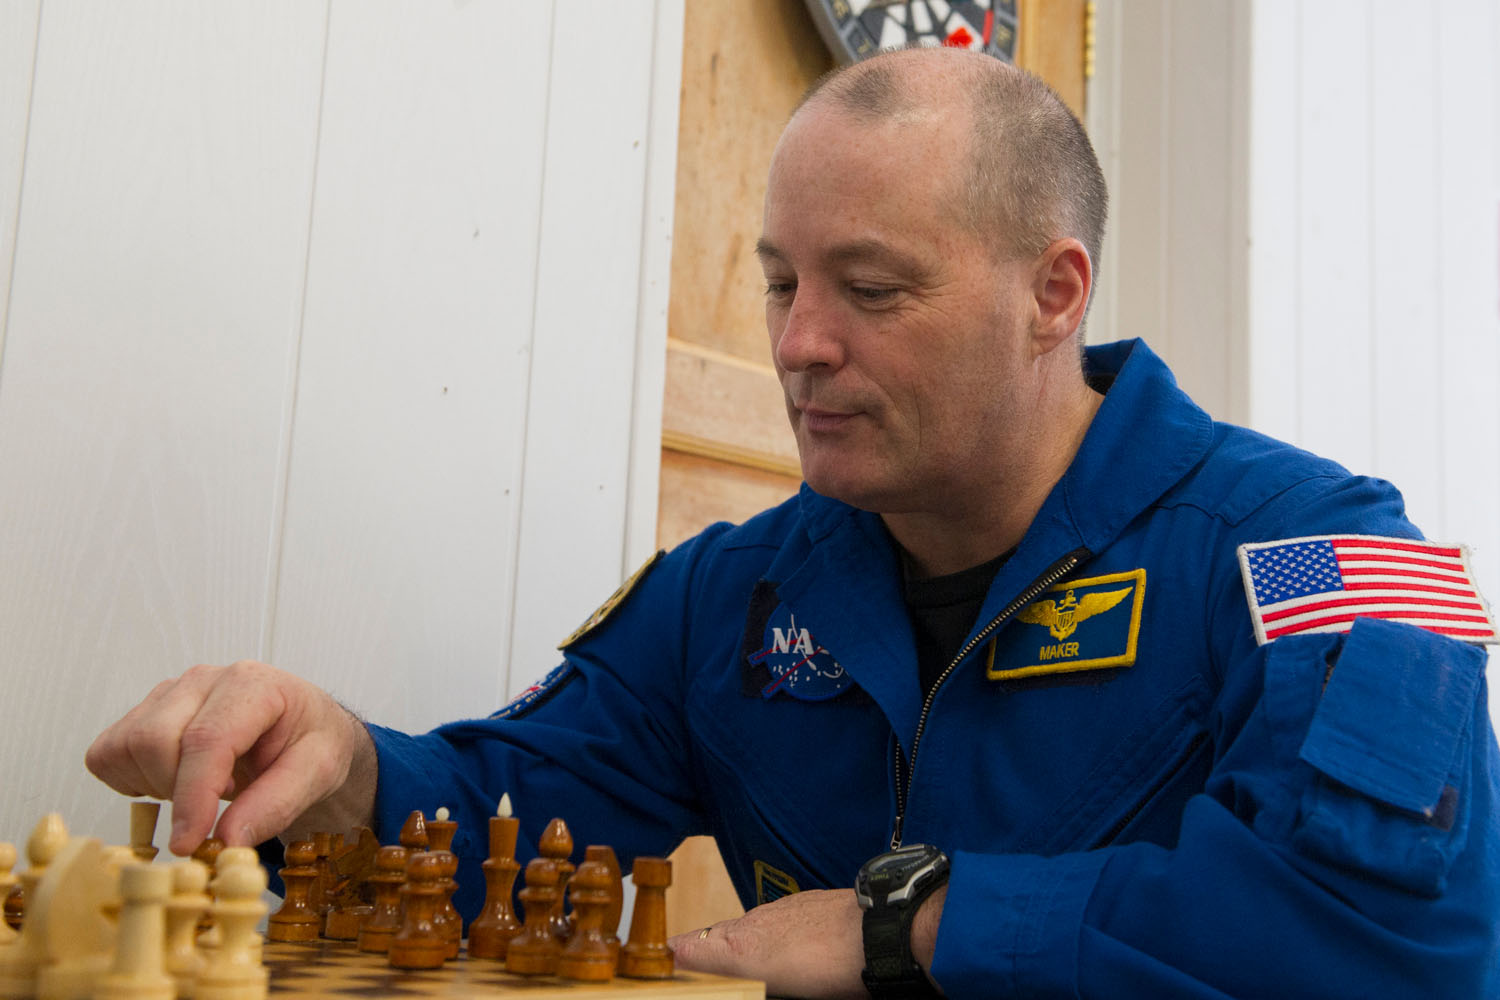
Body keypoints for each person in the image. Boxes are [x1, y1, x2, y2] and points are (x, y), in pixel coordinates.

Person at [86, 47, 1499, 998]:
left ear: (1053, 293)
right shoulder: (732, 600)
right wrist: (344, 772)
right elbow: (515, 825)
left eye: (871, 290)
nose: (800, 346)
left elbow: (1409, 941)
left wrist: (914, 921)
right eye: (777, 283)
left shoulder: (1314, 556)